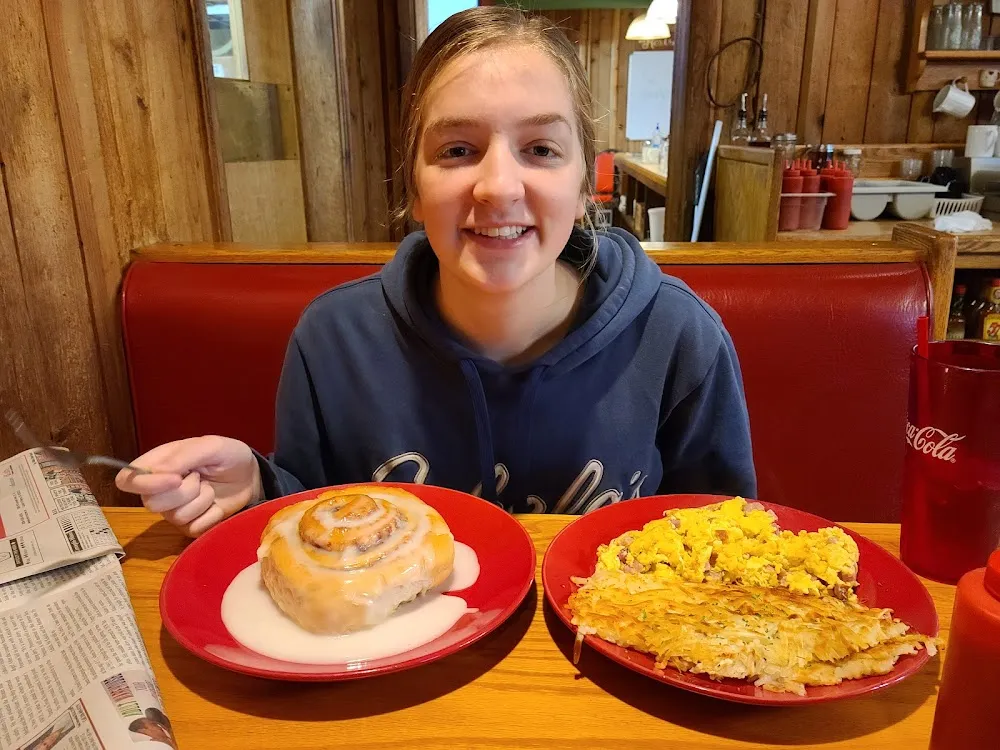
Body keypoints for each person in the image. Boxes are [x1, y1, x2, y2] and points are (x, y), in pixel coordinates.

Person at [116, 7, 756, 536]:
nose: (498, 186)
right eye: (457, 150)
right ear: (415, 189)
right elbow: (312, 513)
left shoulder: (677, 336)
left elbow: (727, 543)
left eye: (540, 149)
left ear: (585, 184)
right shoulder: (333, 338)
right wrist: (258, 487)